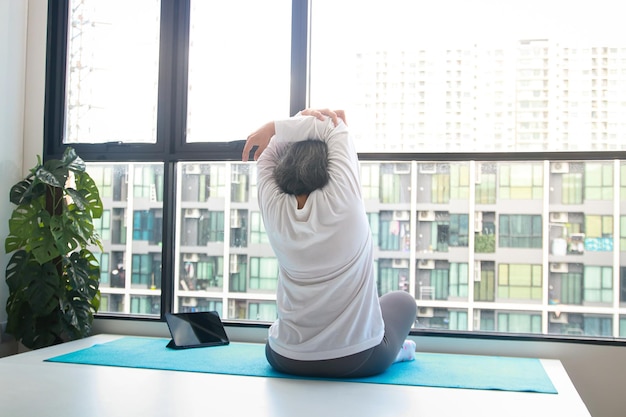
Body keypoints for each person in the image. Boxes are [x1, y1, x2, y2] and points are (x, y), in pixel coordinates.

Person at [242, 108, 417, 378]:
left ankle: (392, 347)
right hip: (357, 359)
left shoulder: (273, 206)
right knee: (402, 302)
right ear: (333, 165)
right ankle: (395, 351)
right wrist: (305, 121)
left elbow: (269, 148)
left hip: (284, 356)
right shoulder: (343, 200)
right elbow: (333, 128)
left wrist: (295, 120)